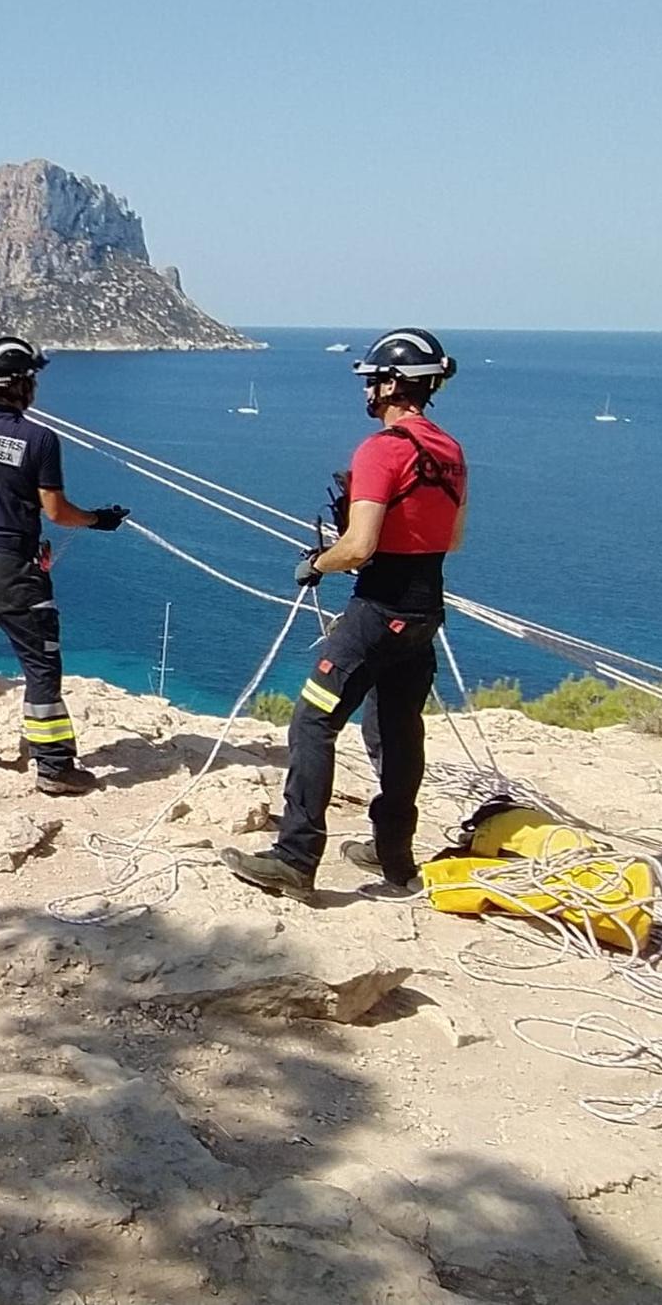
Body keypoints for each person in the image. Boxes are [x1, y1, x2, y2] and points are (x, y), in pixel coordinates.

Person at [224, 327, 467, 899]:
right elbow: (451, 539)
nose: (367, 391)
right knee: (398, 729)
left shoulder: (380, 450)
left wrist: (317, 564)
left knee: (313, 719)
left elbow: (357, 547)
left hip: (378, 610)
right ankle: (393, 856)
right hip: (424, 611)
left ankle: (296, 855)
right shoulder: (450, 452)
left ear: (391, 385)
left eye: (372, 380)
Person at [0, 337, 127, 796]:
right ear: (23, 385)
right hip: (13, 565)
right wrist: (98, 520)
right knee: (40, 661)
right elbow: (56, 512)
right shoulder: (39, 439)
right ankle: (54, 766)